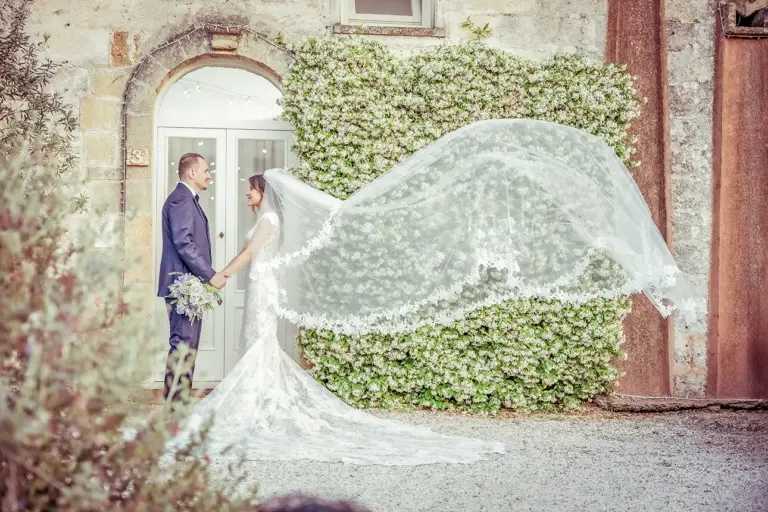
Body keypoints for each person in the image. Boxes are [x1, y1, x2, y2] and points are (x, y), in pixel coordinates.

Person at [168, 119, 702, 465]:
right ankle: (258, 400)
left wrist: (219, 277)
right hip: (261, 288)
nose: (239, 188)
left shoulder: (266, 222)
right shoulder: (259, 218)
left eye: (248, 186)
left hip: (258, 288)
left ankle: (258, 404)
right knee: (259, 346)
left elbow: (248, 257)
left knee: (259, 345)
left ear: (262, 193)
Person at [157, 152, 227, 405]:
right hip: (181, 286)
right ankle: (174, 408)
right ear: (192, 173)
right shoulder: (181, 200)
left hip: (188, 286)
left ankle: (179, 403)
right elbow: (184, 243)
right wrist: (210, 275)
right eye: (206, 170)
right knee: (182, 346)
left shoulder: (189, 200)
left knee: (187, 347)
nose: (209, 175)